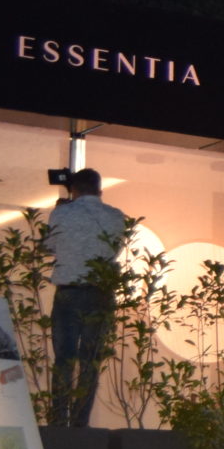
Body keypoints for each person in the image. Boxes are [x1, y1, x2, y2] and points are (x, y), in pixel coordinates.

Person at [45, 168, 129, 429]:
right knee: (90, 361)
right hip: (101, 293)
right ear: (100, 191)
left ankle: (59, 422)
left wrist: (61, 211)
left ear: (74, 190)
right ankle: (81, 423)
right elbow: (117, 248)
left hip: (69, 292)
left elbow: (49, 246)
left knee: (64, 359)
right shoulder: (116, 216)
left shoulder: (62, 213)